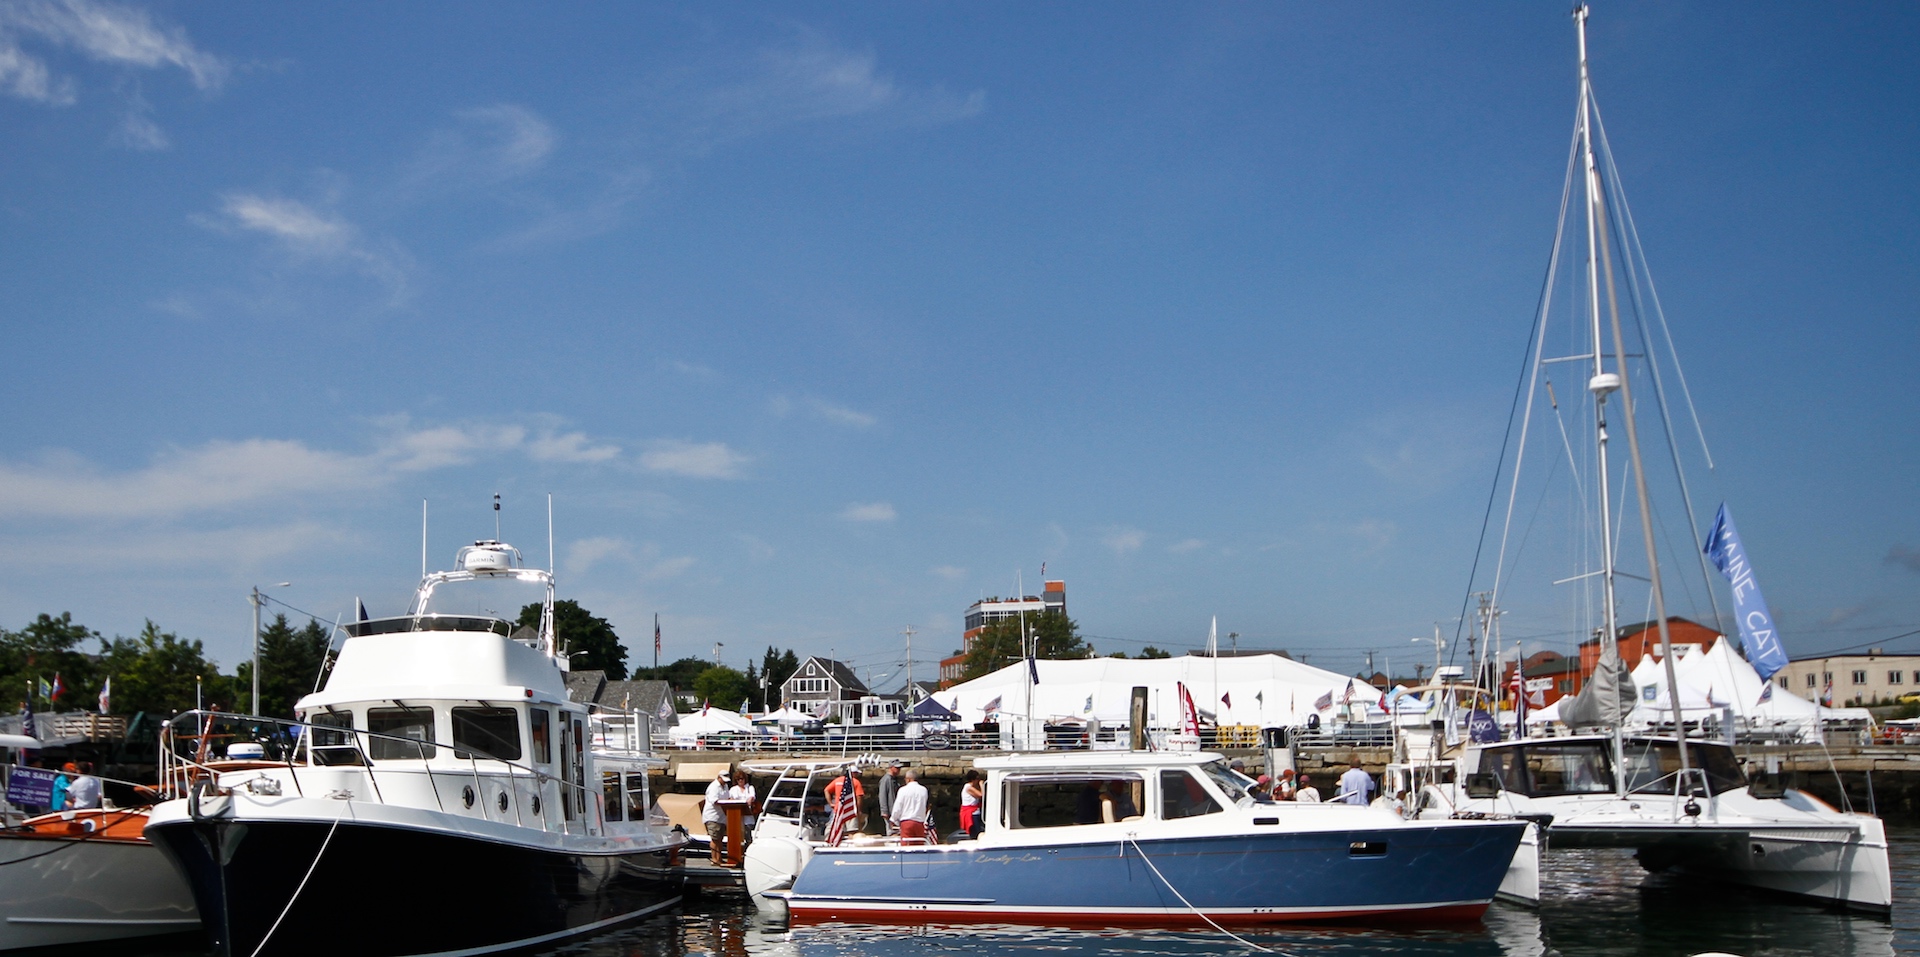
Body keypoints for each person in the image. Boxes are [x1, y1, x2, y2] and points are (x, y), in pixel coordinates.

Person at [891, 769, 930, 844]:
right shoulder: (924, 790)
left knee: (907, 847)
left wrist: (893, 819)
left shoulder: (903, 790)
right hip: (919, 822)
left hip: (907, 822)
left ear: (908, 779)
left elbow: (898, 806)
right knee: (919, 847)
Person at [702, 769, 730, 862]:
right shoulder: (713, 787)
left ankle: (719, 858)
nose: (724, 782)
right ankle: (714, 859)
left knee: (720, 839)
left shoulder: (725, 786)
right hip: (712, 816)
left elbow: (727, 797)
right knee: (715, 838)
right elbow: (715, 801)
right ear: (719, 778)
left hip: (722, 817)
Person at [727, 769, 757, 850]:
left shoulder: (750, 788)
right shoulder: (733, 789)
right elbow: (730, 799)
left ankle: (749, 850)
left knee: (748, 833)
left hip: (747, 815)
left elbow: (752, 797)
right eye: (738, 779)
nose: (740, 781)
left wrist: (749, 800)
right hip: (737, 816)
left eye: (742, 779)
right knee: (737, 834)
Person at [877, 760, 903, 834]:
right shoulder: (885, 780)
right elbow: (882, 795)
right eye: (897, 768)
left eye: (899, 768)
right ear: (891, 767)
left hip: (896, 810)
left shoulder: (895, 779)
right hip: (890, 811)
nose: (899, 770)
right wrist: (884, 811)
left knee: (898, 830)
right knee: (891, 831)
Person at [958, 769, 983, 837]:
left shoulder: (972, 787)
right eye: (977, 778)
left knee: (978, 830)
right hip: (971, 813)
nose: (978, 780)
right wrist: (981, 785)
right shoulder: (968, 788)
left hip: (975, 811)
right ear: (972, 779)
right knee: (976, 833)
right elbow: (981, 795)